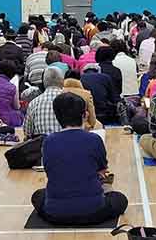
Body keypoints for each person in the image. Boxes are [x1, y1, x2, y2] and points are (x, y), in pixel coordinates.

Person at [31, 93, 128, 226]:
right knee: (120, 199)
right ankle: (104, 191)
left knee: (38, 195)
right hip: (93, 211)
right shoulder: (94, 139)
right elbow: (102, 169)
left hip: (55, 213)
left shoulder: (48, 141)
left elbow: (51, 172)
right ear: (85, 115)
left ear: (57, 116)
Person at [23, 68, 64, 139]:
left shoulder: (34, 103)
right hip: (65, 146)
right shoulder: (71, 100)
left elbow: (27, 132)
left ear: (44, 82)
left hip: (40, 147)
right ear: (62, 81)